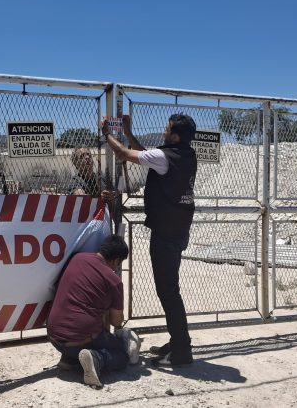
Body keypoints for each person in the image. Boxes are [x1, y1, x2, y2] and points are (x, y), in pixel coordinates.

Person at [102, 114, 197, 367]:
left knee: (168, 292)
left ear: (175, 136)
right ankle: (177, 342)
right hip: (178, 230)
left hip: (166, 234)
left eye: (167, 128)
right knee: (170, 290)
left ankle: (182, 350)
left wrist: (106, 134)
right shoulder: (185, 154)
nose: (164, 130)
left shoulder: (166, 156)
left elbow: (124, 154)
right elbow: (146, 156)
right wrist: (129, 132)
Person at [47, 235, 140, 387]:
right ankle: (97, 358)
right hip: (80, 341)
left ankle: (70, 359)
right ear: (116, 260)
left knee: (79, 327)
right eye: (119, 263)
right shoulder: (113, 280)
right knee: (122, 356)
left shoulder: (77, 258)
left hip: (54, 338)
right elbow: (116, 321)